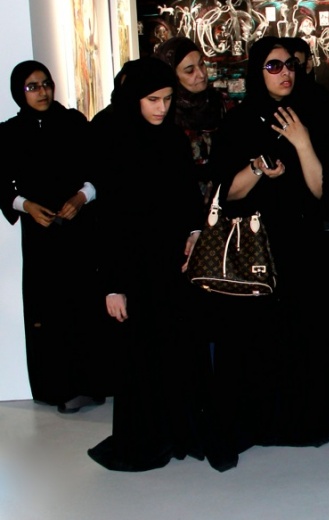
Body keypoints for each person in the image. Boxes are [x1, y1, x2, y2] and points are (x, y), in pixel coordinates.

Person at [206, 36, 329, 471]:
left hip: (305, 247)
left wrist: (302, 143)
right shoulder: (239, 122)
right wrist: (258, 169)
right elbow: (227, 195)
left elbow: (324, 192)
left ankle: (302, 422)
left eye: (289, 65)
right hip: (255, 248)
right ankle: (258, 422)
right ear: (256, 71)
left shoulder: (317, 112)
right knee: (254, 338)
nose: (285, 72)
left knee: (305, 332)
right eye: (272, 66)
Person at [86, 58, 203, 471]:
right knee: (139, 356)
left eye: (168, 99)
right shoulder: (111, 139)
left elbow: (188, 193)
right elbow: (106, 223)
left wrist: (193, 230)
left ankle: (176, 430)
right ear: (133, 98)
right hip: (131, 269)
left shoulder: (170, 139)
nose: (162, 107)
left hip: (172, 266)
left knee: (176, 348)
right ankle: (145, 437)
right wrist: (112, 285)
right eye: (153, 99)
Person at [0, 60, 108, 414]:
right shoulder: (8, 133)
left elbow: (98, 172)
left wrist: (81, 197)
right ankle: (57, 387)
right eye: (33, 87)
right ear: (20, 92)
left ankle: (93, 383)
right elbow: (2, 185)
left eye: (46, 84)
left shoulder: (74, 123)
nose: (43, 92)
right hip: (41, 235)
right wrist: (25, 205)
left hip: (79, 232)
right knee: (49, 309)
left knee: (85, 303)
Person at [153, 37, 232, 208]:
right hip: (179, 206)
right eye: (190, 70)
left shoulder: (220, 103)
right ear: (172, 74)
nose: (201, 74)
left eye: (202, 64)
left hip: (224, 203)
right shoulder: (163, 111)